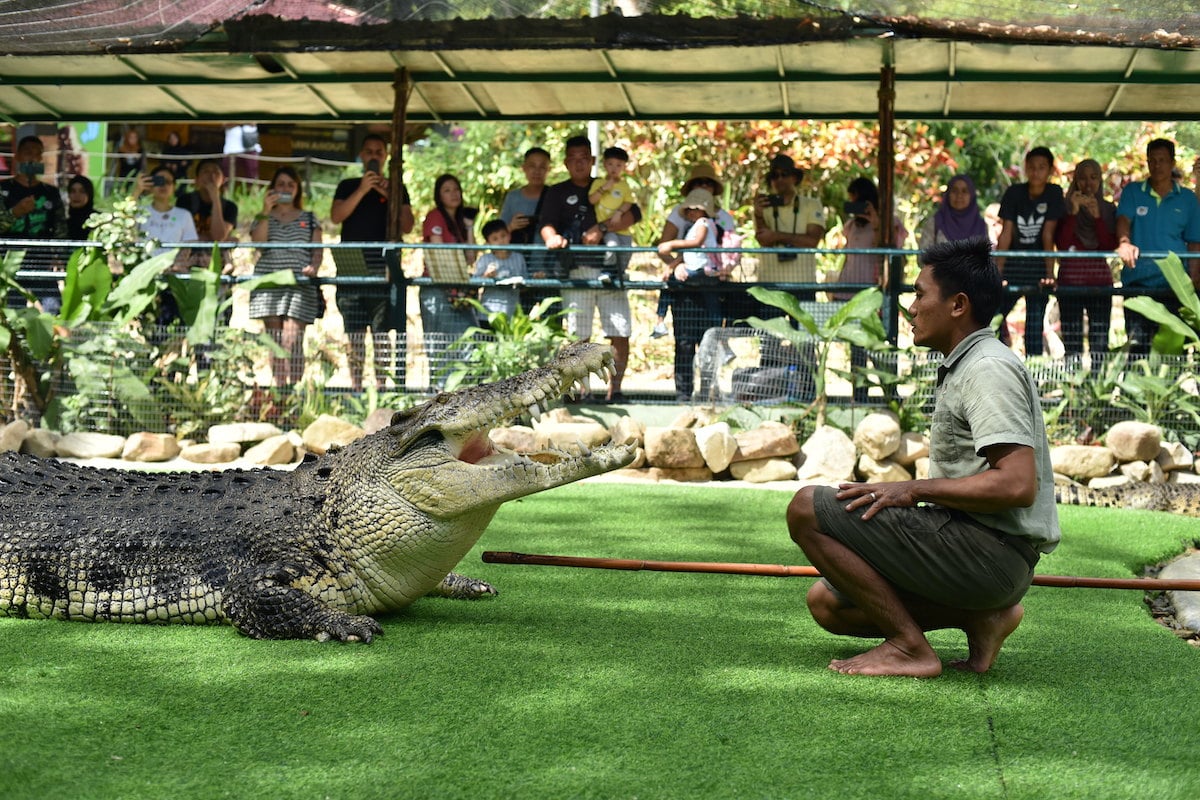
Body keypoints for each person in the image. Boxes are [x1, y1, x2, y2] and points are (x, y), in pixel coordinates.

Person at [786, 236, 1059, 678]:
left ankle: (910, 647)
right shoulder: (967, 363)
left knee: (805, 508)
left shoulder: (987, 368)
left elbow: (1016, 484)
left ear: (958, 305)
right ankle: (982, 618)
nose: (911, 307)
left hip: (992, 554)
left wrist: (909, 490)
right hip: (980, 554)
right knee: (828, 604)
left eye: (919, 294)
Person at [540, 134, 636, 402]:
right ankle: (581, 392)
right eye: (573, 159)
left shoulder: (610, 182)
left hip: (611, 271)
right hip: (577, 271)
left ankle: (614, 390)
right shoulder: (557, 191)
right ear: (566, 162)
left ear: (593, 161)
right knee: (578, 334)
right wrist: (552, 238)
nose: (579, 163)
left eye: (584, 158)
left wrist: (603, 228)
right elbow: (546, 223)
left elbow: (634, 213)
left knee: (619, 330)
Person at [330, 133, 414, 390]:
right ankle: (356, 388)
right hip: (352, 268)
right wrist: (363, 189)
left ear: (386, 156)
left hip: (383, 268)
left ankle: (381, 388)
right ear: (362, 156)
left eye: (379, 151)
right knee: (354, 334)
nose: (374, 155)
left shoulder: (397, 189)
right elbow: (336, 216)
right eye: (370, 151)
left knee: (381, 334)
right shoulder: (347, 185)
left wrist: (388, 194)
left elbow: (408, 225)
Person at [1116, 138, 1200, 355]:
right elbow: (1123, 220)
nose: (1157, 165)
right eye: (1152, 160)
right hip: (1138, 284)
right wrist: (1124, 243)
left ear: (1172, 162)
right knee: (1137, 347)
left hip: (1173, 286)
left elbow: (1194, 242)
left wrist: (1193, 282)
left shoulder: (1188, 199)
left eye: (1162, 160)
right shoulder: (1133, 191)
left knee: (1173, 353)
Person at [834, 177, 908, 403]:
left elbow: (887, 254)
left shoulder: (889, 224)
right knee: (856, 349)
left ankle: (891, 397)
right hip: (850, 291)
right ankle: (859, 397)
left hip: (875, 294)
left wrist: (876, 222)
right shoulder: (851, 226)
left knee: (879, 348)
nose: (855, 207)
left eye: (859, 202)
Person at [248, 166, 323, 387]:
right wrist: (265, 209)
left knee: (293, 339)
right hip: (269, 282)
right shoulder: (263, 216)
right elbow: (259, 243)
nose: (285, 189)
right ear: (272, 188)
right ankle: (280, 390)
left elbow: (317, 249)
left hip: (299, 284)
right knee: (275, 341)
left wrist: (314, 267)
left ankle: (295, 389)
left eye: (290, 185)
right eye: (281, 184)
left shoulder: (309, 218)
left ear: (298, 189)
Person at [995, 146, 1066, 356]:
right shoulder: (1014, 193)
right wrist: (998, 272)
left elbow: (1048, 235)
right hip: (1012, 267)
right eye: (1032, 167)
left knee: (1034, 326)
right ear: (1026, 168)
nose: (1036, 172)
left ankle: (1034, 376)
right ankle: (996, 364)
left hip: (1038, 269)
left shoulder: (1054, 193)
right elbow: (1006, 233)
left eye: (1041, 167)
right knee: (993, 316)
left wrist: (1048, 274)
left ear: (1050, 170)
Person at [655, 162, 739, 338]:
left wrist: (726, 267)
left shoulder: (721, 218)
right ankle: (660, 322)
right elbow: (664, 245)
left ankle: (721, 342)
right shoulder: (679, 214)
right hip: (684, 283)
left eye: (707, 182)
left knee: (710, 336)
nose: (703, 186)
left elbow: (727, 247)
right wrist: (675, 265)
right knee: (685, 342)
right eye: (698, 182)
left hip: (711, 278)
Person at [656, 188, 723, 402]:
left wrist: (671, 244)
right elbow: (688, 254)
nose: (691, 213)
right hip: (685, 295)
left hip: (706, 290)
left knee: (707, 344)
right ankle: (683, 394)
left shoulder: (706, 226)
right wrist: (673, 265)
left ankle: (706, 392)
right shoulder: (693, 228)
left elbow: (695, 246)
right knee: (684, 345)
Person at [1055, 159, 1118, 360]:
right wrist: (1073, 213)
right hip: (1070, 283)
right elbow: (1062, 245)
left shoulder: (1108, 209)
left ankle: (1097, 386)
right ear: (1075, 180)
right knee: (1072, 342)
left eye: (1093, 178)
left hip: (1100, 283)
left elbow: (1109, 246)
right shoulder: (1063, 208)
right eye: (1082, 178)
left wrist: (1098, 217)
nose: (1088, 183)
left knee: (1099, 341)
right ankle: (1072, 386)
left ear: (1100, 180)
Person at [421, 173, 477, 387]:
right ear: (438, 195)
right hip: (438, 288)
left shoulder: (461, 221)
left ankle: (462, 391)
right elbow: (440, 253)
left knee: (467, 338)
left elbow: (471, 257)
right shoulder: (435, 216)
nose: (453, 194)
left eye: (456, 189)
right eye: (447, 190)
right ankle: (439, 392)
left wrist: (470, 227)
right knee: (440, 343)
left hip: (459, 289)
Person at [1, 135, 68, 309]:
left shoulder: (50, 192)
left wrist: (59, 256)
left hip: (41, 260)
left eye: (38, 154)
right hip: (8, 261)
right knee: (11, 311)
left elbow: (60, 228)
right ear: (17, 156)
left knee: (53, 308)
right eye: (27, 152)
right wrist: (16, 212)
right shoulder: (3, 189)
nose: (32, 157)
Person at [752, 152, 827, 299]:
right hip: (770, 284)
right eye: (775, 175)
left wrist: (777, 236)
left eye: (784, 174)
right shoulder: (764, 206)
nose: (779, 179)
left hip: (803, 283)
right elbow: (764, 240)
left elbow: (812, 241)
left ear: (794, 177)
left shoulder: (811, 205)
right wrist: (759, 215)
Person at [499, 146, 554, 313]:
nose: (536, 171)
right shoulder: (513, 198)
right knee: (517, 326)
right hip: (518, 273)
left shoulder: (555, 195)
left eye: (542, 166)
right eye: (532, 166)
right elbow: (496, 236)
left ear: (548, 170)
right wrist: (511, 227)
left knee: (552, 325)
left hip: (548, 272)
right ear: (524, 168)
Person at [176, 159, 238, 272]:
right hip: (190, 254)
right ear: (197, 180)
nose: (212, 176)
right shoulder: (185, 201)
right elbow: (182, 235)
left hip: (216, 256)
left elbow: (218, 236)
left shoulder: (230, 207)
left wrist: (215, 198)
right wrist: (215, 239)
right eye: (206, 172)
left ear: (223, 179)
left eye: (216, 172)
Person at [589, 145, 635, 283]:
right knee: (612, 246)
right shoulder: (598, 182)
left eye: (618, 165)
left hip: (623, 229)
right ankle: (607, 271)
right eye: (610, 164)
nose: (614, 168)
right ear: (604, 164)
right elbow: (592, 200)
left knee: (627, 250)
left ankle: (620, 273)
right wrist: (604, 188)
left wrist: (619, 213)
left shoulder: (624, 186)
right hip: (607, 227)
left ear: (624, 167)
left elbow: (628, 202)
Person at [473, 219, 528, 322]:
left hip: (512, 314)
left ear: (509, 236)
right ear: (488, 243)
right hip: (488, 314)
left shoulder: (519, 258)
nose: (501, 241)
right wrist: (486, 276)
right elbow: (474, 284)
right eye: (495, 239)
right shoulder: (484, 260)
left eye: (503, 236)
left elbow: (525, 285)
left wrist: (533, 279)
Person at [917, 174, 989, 249]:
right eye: (955, 191)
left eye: (964, 191)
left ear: (971, 196)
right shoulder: (935, 223)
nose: (959, 195)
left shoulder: (981, 226)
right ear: (948, 194)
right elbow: (924, 256)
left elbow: (987, 257)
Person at [65, 175, 95, 242]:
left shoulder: (97, 220)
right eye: (73, 191)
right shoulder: (63, 224)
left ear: (89, 194)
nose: (77, 195)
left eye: (82, 191)